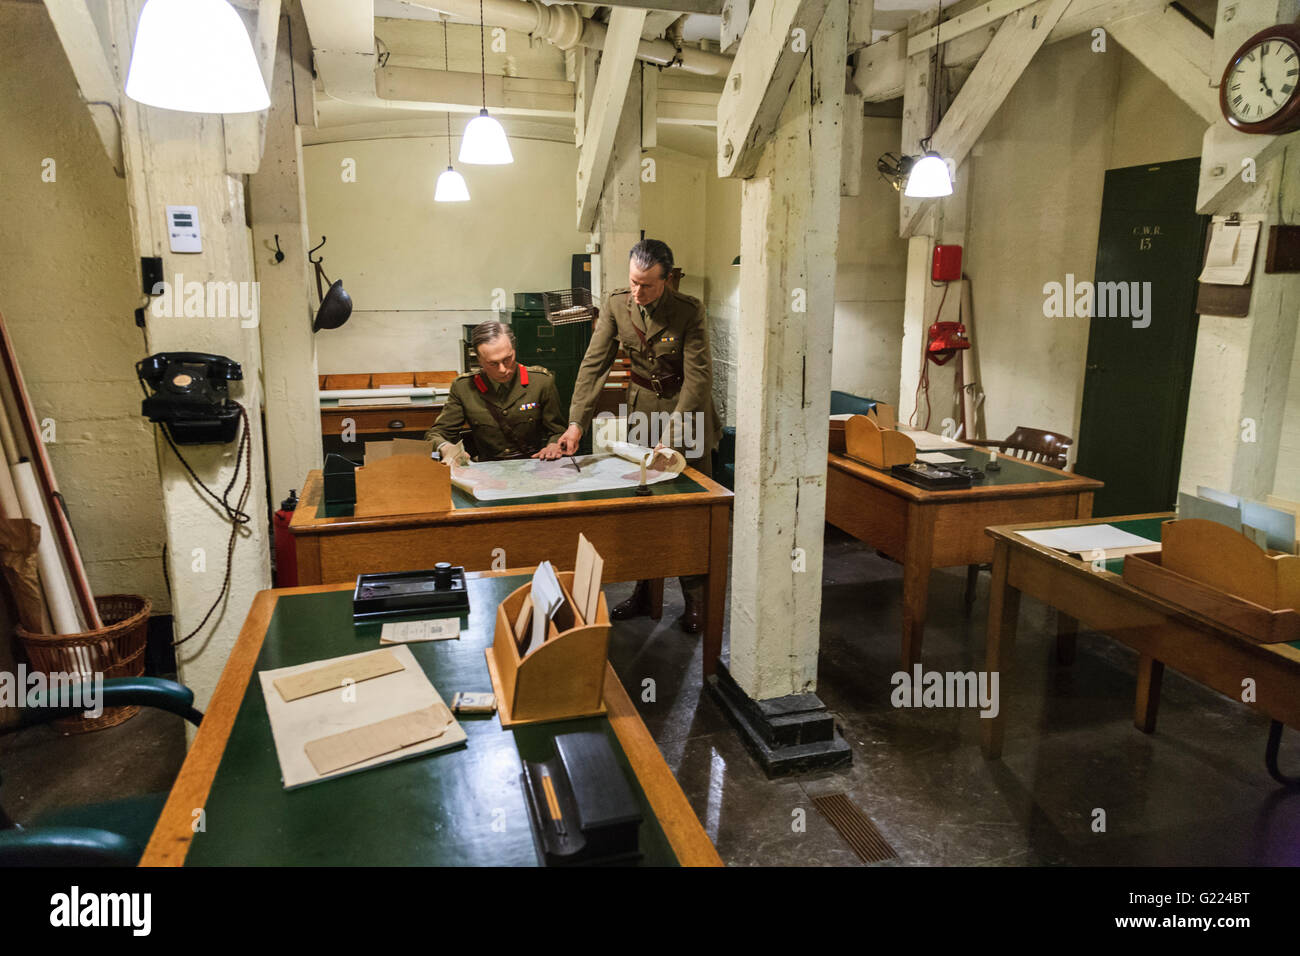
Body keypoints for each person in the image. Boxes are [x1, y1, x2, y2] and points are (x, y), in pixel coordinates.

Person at [557, 239, 720, 633]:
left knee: (688, 509)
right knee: (644, 506)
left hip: (688, 412)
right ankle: (646, 593)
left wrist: (673, 438)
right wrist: (576, 422)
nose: (638, 292)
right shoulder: (617, 305)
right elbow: (593, 365)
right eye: (633, 282)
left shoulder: (688, 311)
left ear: (666, 281)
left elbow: (698, 379)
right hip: (643, 408)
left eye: (646, 285)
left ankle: (695, 601)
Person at [427, 320, 567, 463]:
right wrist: (446, 447)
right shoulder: (464, 388)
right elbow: (436, 434)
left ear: (514, 350)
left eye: (507, 359)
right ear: (479, 360)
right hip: (487, 470)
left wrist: (554, 445)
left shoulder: (541, 382)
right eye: (493, 363)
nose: (503, 369)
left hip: (533, 465)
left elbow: (558, 431)